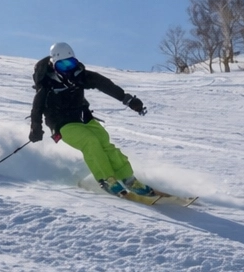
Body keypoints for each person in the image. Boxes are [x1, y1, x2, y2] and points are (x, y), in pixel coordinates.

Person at [29, 42, 157, 197]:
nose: (68, 69)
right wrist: (36, 127)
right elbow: (37, 107)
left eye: (71, 64)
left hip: (83, 118)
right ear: (54, 65)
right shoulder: (47, 84)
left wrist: (127, 99)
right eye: (63, 66)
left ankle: (129, 179)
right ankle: (107, 179)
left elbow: (104, 84)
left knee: (104, 142)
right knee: (90, 142)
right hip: (62, 124)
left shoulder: (80, 75)